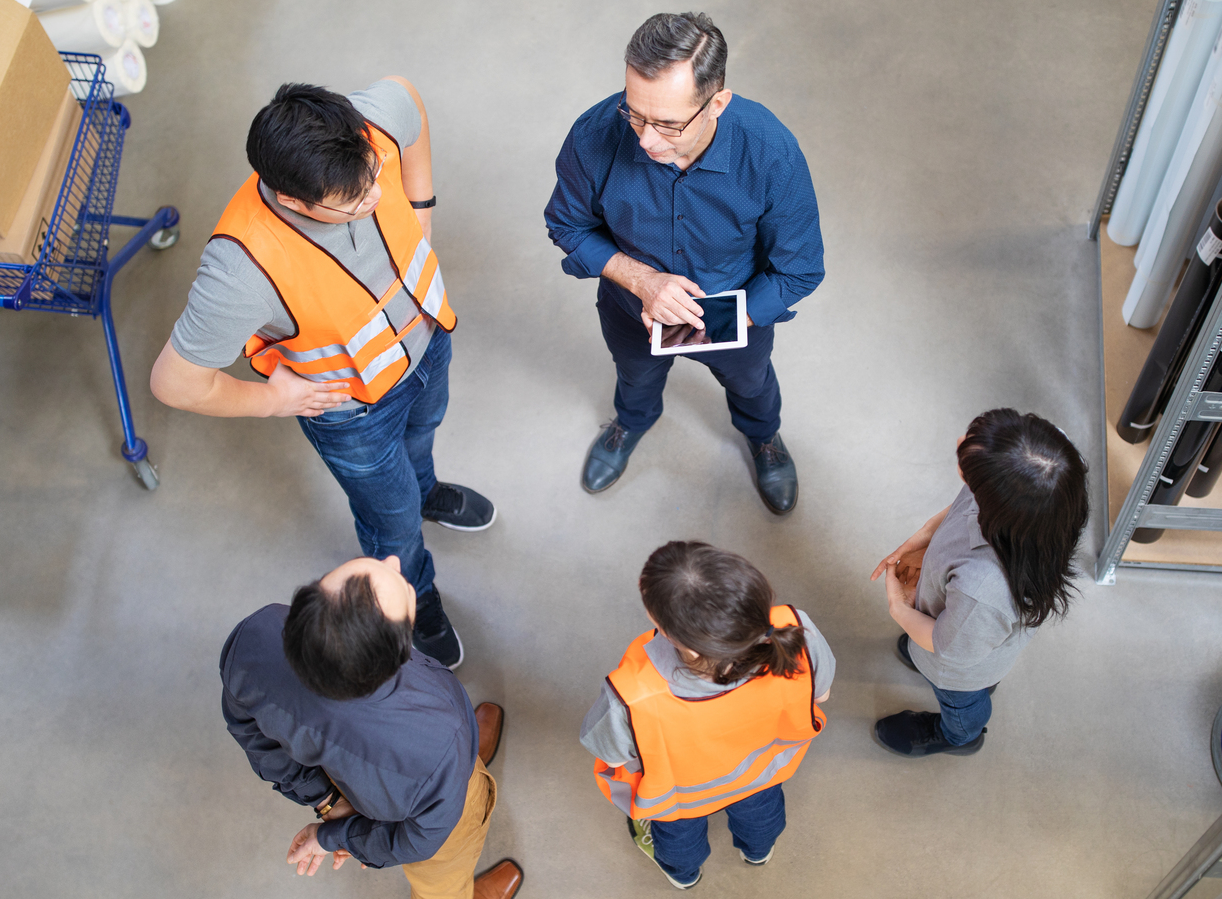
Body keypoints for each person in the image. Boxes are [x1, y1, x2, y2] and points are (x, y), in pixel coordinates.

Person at [152, 80, 493, 669]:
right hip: (354, 412)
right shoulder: (241, 269)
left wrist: (420, 205)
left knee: (424, 434)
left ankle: (428, 491)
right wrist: (275, 400)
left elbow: (409, 100)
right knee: (392, 527)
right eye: (353, 201)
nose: (371, 197)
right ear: (295, 200)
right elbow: (174, 382)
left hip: (427, 341)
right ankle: (420, 598)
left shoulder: (369, 127)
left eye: (373, 181)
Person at [545, 13, 825, 514]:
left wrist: (715, 322)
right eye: (634, 114)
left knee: (752, 385)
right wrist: (643, 282)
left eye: (670, 124)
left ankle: (764, 438)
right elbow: (567, 225)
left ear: (716, 103)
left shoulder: (771, 154)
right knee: (633, 377)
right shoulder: (594, 135)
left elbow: (799, 268)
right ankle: (630, 422)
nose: (646, 141)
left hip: (738, 316)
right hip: (631, 308)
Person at [220, 555, 523, 899]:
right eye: (401, 585)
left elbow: (248, 727)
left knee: (443, 771)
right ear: (397, 656)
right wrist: (335, 837)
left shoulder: (253, 638)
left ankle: (449, 778)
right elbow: (418, 841)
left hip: (402, 773)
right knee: (441, 876)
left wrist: (326, 800)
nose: (392, 560)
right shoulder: (437, 737)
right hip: (435, 775)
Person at [581, 541, 833, 889]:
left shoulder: (631, 694)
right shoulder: (795, 631)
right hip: (761, 773)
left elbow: (609, 752)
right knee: (762, 819)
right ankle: (758, 852)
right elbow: (821, 693)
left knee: (679, 842)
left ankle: (684, 876)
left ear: (669, 632)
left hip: (679, 798)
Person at [869, 409, 1088, 757]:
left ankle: (960, 736)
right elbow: (964, 504)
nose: (959, 443)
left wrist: (900, 608)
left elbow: (948, 647)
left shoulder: (982, 589)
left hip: (958, 666)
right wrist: (926, 537)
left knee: (961, 703)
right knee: (927, 644)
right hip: (967, 628)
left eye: (971, 475)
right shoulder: (1044, 479)